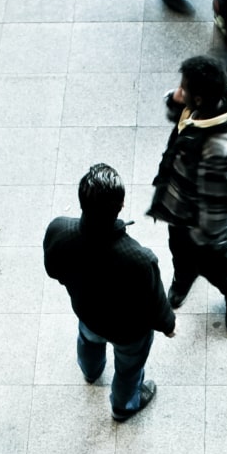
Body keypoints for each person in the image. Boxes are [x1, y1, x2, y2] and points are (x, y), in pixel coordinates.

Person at [44, 164, 175, 422]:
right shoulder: (139, 259)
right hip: (128, 331)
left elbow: (53, 270)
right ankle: (123, 405)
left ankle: (90, 372)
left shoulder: (59, 230)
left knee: (89, 340)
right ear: (121, 205)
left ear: (81, 199)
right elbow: (155, 304)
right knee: (129, 368)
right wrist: (169, 325)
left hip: (87, 312)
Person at [149, 55, 227, 334]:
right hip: (181, 205)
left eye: (183, 89)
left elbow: (222, 203)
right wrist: (176, 100)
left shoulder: (219, 149)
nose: (178, 91)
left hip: (205, 225)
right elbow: (180, 118)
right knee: (179, 249)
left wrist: (206, 237)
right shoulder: (202, 109)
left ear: (198, 100)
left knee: (216, 264)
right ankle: (184, 276)